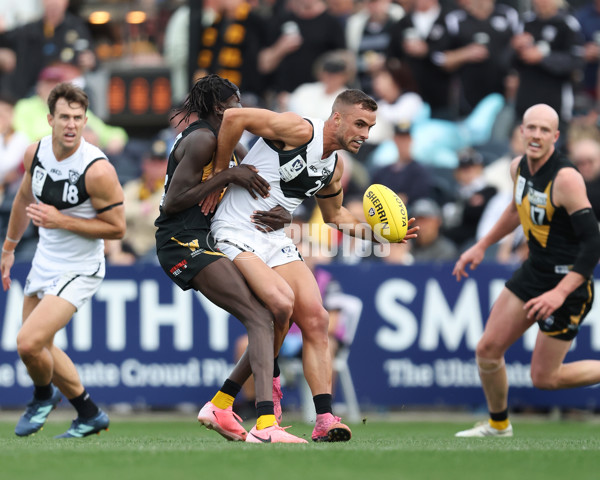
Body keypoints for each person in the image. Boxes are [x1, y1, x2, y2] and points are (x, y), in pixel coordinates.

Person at [202, 89, 418, 442]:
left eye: (370, 127)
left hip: (274, 240)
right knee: (281, 304)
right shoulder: (299, 130)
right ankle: (262, 416)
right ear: (336, 118)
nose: (365, 134)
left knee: (317, 319)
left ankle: (324, 419)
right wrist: (223, 173)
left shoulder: (335, 167)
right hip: (234, 229)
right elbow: (234, 118)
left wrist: (382, 236)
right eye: (359, 124)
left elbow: (336, 216)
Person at [154, 74, 307, 444]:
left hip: (202, 238)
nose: (241, 109)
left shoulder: (223, 143)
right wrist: (226, 175)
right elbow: (173, 202)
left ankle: (221, 405)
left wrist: (283, 214)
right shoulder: (204, 139)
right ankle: (265, 425)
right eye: (236, 102)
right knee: (259, 317)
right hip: (181, 240)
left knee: (267, 317)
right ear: (220, 107)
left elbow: (243, 187)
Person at [452, 103, 600, 437]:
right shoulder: (518, 166)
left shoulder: (567, 179)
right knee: (487, 351)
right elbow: (516, 209)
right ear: (521, 130)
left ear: (556, 137)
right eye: (531, 127)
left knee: (545, 379)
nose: (536, 135)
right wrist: (481, 244)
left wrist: (559, 294)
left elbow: (593, 244)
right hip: (534, 271)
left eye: (544, 130)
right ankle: (499, 425)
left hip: (567, 284)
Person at [0, 82, 125, 438]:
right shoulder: (34, 154)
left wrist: (60, 220)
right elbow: (25, 198)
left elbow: (116, 229)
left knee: (27, 342)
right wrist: (8, 248)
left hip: (81, 266)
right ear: (50, 119)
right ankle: (89, 413)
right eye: (64, 117)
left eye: (78, 118)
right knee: (38, 350)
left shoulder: (97, 169)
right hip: (45, 260)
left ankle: (42, 397)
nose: (71, 125)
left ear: (86, 121)